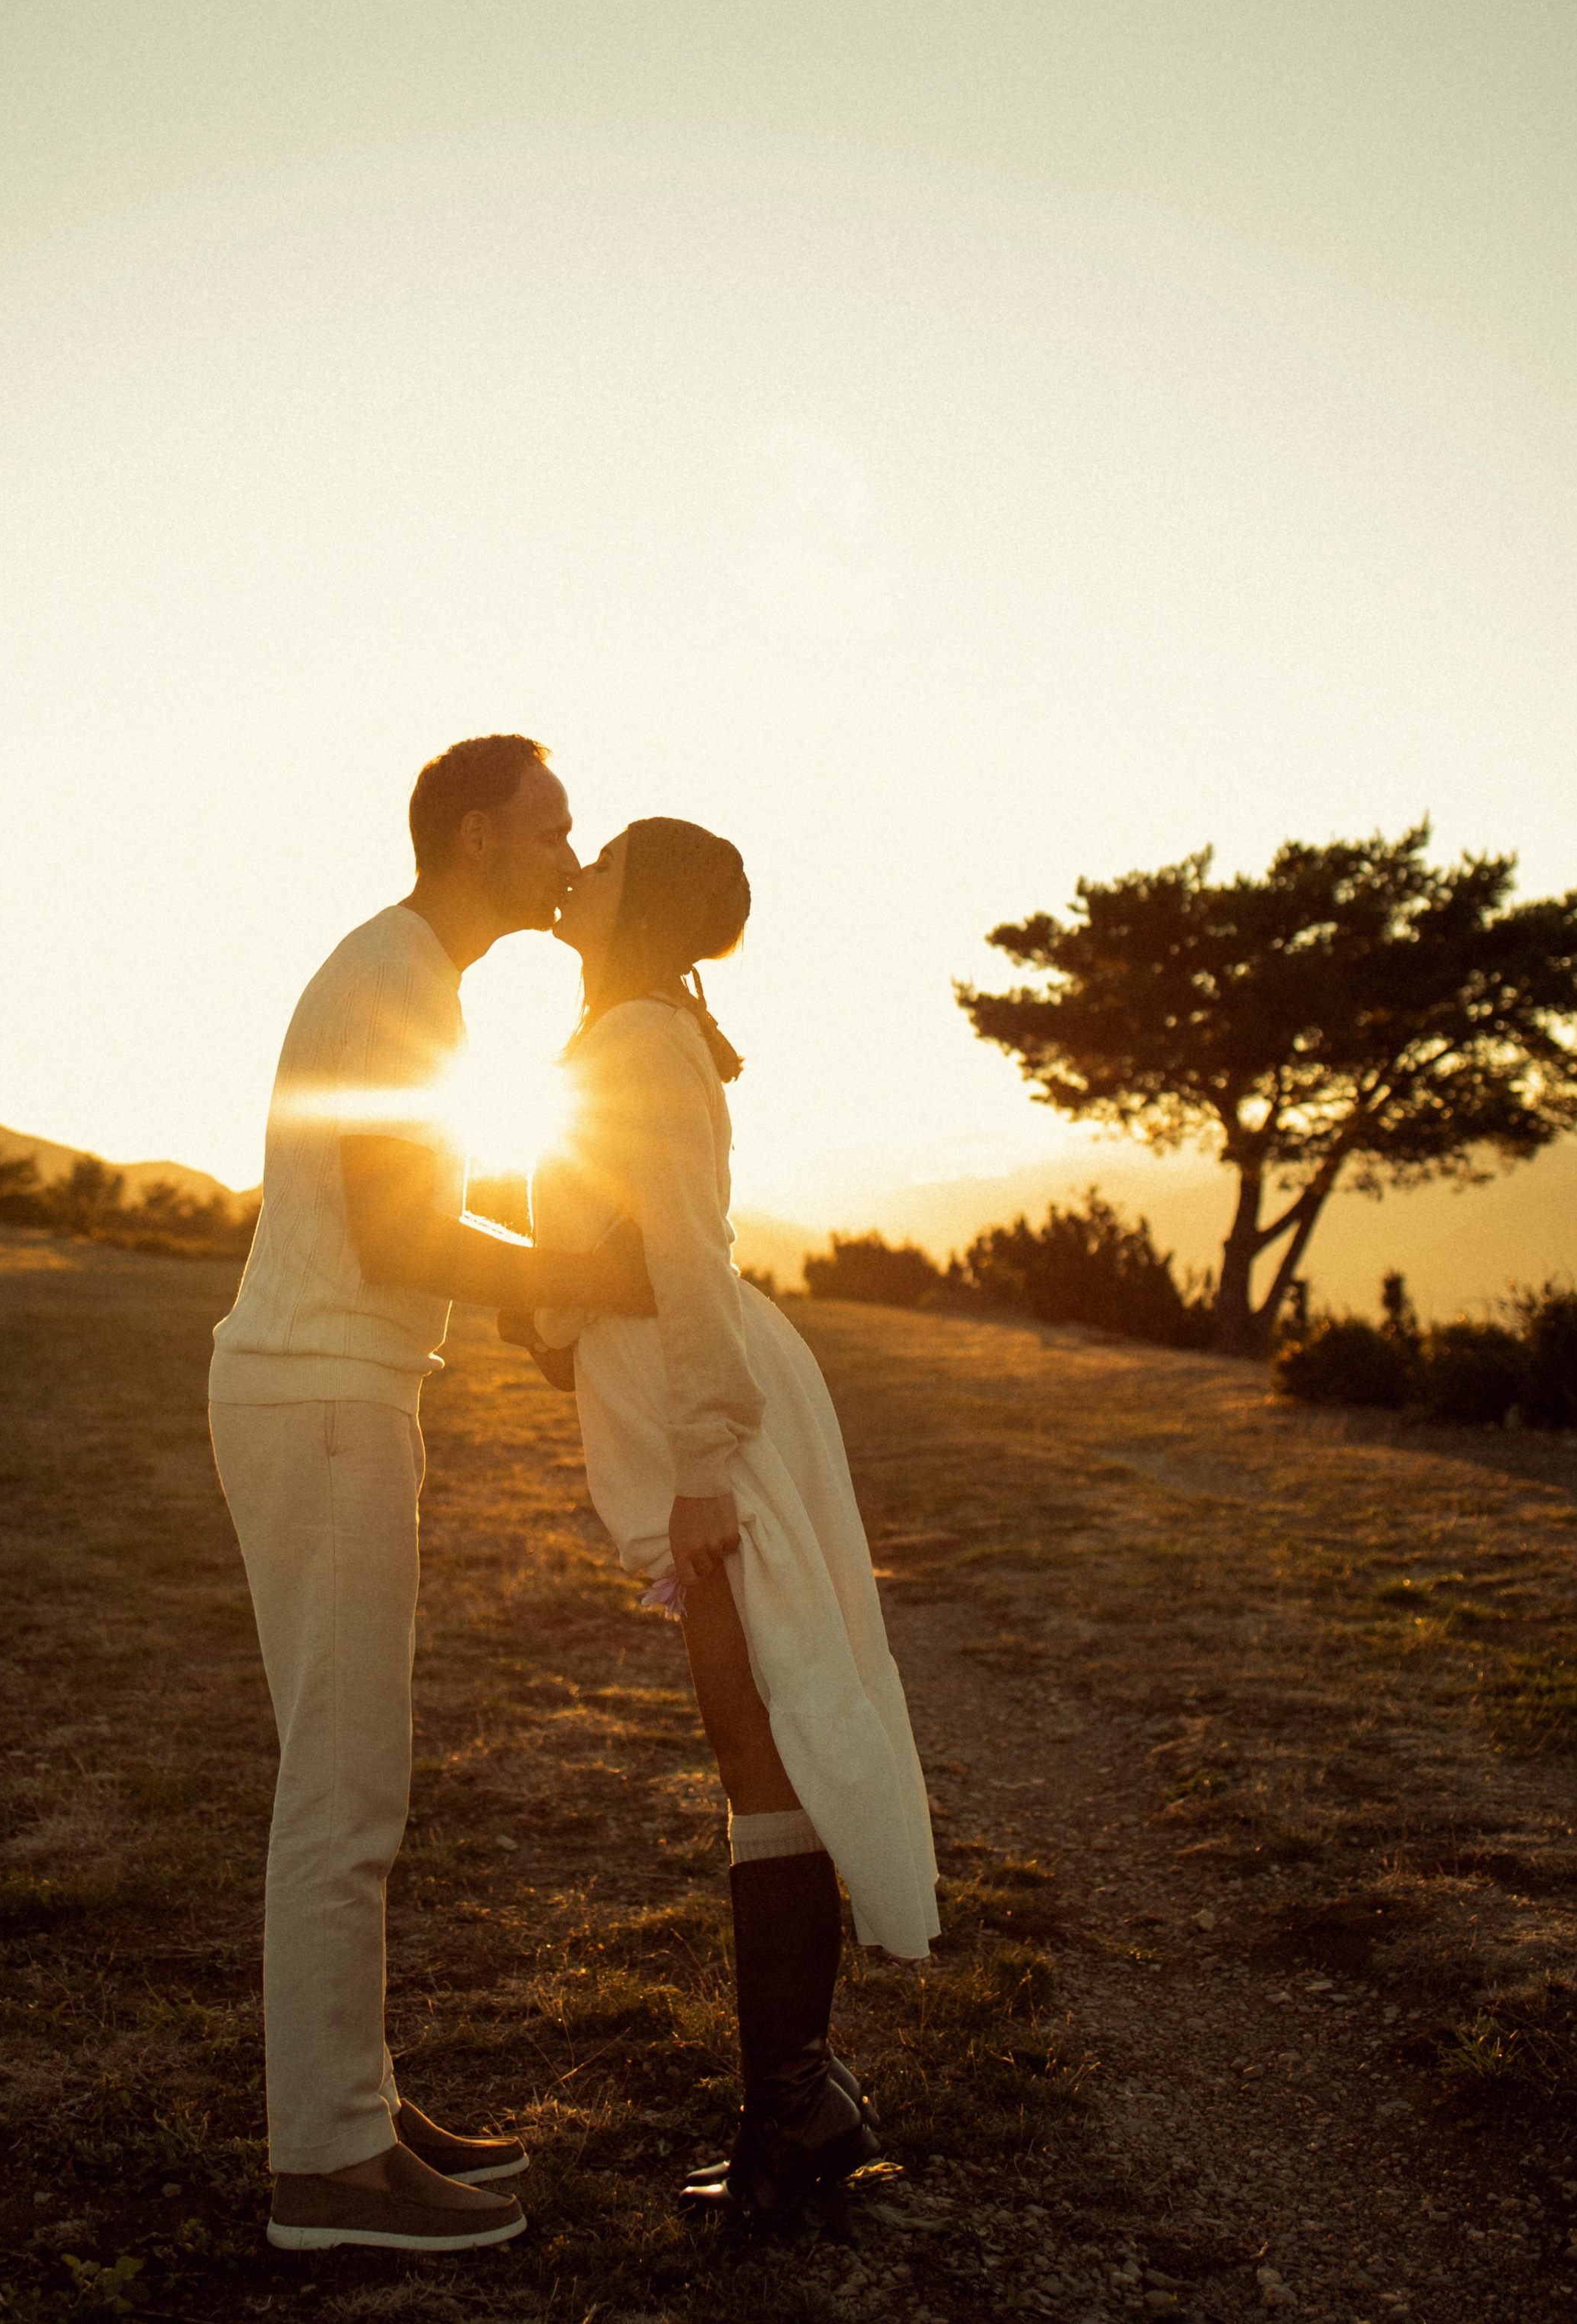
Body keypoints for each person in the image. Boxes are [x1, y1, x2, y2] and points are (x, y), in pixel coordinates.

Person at [208, 736, 654, 2257]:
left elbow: (409, 1202)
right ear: (475, 836)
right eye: (549, 830)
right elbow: (399, 1233)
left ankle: (350, 2102)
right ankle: (326, 2170)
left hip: (321, 1387)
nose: (566, 856)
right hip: (324, 1398)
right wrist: (586, 1281)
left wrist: (536, 1313)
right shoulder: (397, 974)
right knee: (343, 1789)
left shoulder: (408, 973)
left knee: (342, 1775)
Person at [506, 817, 938, 2227]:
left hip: (719, 1425)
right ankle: (796, 2110)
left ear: (648, 907)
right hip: (683, 1409)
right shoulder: (626, 1031)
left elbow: (686, 1253)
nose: (579, 871)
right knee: (754, 1739)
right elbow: (621, 1253)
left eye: (607, 858)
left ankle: (795, 2120)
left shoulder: (637, 1039)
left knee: (765, 1741)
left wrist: (701, 1463)